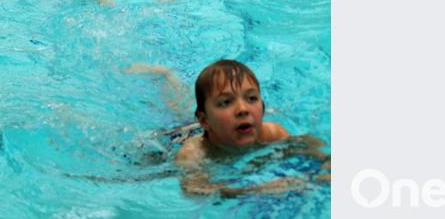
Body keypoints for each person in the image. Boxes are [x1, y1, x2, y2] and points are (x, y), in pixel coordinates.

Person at [127, 59, 330, 197]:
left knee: (180, 108)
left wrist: (327, 165)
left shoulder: (272, 133)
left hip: (209, 126)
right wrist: (259, 189)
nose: (242, 109)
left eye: (251, 98)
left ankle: (168, 75)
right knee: (175, 112)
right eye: (225, 102)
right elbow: (194, 189)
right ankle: (166, 75)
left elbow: (311, 146)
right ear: (205, 120)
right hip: (178, 136)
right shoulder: (193, 154)